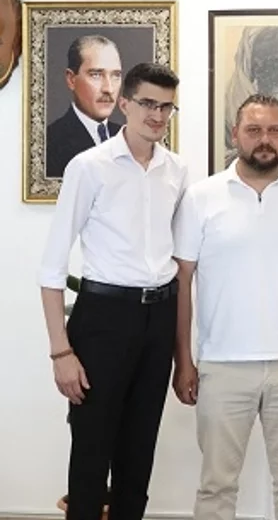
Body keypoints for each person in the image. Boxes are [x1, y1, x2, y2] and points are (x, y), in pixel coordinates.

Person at [171, 94, 278, 520]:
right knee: (217, 484)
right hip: (222, 364)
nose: (264, 139)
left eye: (274, 130)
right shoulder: (201, 197)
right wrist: (183, 360)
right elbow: (182, 281)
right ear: (235, 135)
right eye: (254, 130)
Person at [37, 62, 186, 520]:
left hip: (159, 318)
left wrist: (182, 352)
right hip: (103, 318)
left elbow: (182, 262)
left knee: (138, 453)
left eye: (166, 107)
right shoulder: (89, 167)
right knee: (91, 451)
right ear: (124, 104)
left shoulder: (176, 170)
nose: (157, 115)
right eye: (147, 104)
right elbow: (51, 267)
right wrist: (61, 352)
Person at [46, 34, 123, 177]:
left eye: (116, 75)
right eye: (96, 75)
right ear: (71, 80)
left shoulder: (127, 138)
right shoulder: (49, 143)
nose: (109, 88)